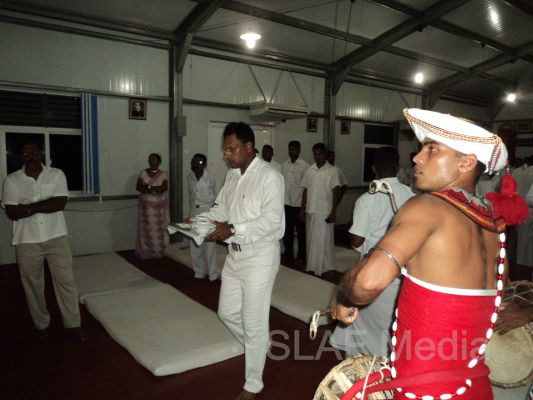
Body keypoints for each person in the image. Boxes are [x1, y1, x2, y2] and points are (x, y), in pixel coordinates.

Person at [332, 108, 521, 400]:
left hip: (425, 387)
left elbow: (367, 283)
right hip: (474, 385)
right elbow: (500, 287)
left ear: (466, 163)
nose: (417, 158)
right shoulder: (493, 221)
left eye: (432, 149)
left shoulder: (427, 207)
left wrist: (344, 297)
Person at [192, 122, 284, 400]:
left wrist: (232, 229)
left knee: (253, 321)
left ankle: (253, 383)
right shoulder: (232, 175)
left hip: (260, 256)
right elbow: (221, 209)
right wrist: (196, 222)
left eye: (232, 149)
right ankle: (259, 345)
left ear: (248, 147)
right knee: (226, 312)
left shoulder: (269, 176)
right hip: (235, 255)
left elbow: (273, 222)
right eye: (225, 149)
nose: (227, 154)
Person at [330, 146, 415, 357]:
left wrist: (363, 246)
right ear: (398, 168)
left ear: (373, 168)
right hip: (403, 274)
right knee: (393, 327)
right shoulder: (413, 197)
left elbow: (356, 240)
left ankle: (363, 367)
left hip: (373, 272)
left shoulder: (367, 199)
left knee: (363, 326)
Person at [1, 143, 89, 341]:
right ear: (21, 157)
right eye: (25, 153)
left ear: (41, 154)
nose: (30, 155)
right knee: (32, 284)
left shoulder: (56, 174)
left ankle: (73, 324)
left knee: (66, 281)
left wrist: (28, 207)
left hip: (56, 236)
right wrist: (45, 205)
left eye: (33, 152)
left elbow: (60, 203)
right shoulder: (12, 180)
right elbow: (12, 212)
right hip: (27, 240)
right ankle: (41, 324)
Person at [301, 143, 341, 276]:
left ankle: (328, 267)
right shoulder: (309, 170)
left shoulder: (332, 171)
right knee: (311, 240)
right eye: (315, 154)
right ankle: (312, 266)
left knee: (325, 241)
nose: (317, 157)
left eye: (320, 154)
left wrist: (334, 211)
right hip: (311, 210)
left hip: (325, 211)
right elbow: (305, 190)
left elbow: (336, 191)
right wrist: (302, 208)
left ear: (325, 154)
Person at [187, 153, 219, 281]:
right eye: (194, 161)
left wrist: (215, 216)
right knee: (195, 243)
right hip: (194, 211)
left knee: (209, 244)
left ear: (205, 164)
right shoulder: (190, 177)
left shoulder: (211, 178)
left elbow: (218, 199)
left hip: (207, 211)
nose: (196, 164)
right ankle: (199, 272)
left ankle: (212, 274)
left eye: (200, 162)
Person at [135, 153, 169, 259]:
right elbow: (139, 187)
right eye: (150, 159)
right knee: (145, 229)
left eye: (154, 159)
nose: (151, 161)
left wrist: (148, 187)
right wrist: (154, 189)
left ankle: (158, 251)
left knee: (158, 229)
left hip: (159, 210)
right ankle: (145, 251)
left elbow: (163, 188)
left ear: (159, 162)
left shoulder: (164, 174)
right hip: (145, 208)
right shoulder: (143, 173)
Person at [281, 140, 309, 264]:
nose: (292, 151)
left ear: (299, 151)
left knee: (301, 232)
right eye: (290, 149)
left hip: (298, 204)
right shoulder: (284, 165)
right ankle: (288, 253)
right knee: (287, 231)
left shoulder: (305, 166)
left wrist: (303, 207)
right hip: (286, 203)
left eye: (294, 149)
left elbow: (306, 188)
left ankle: (302, 256)